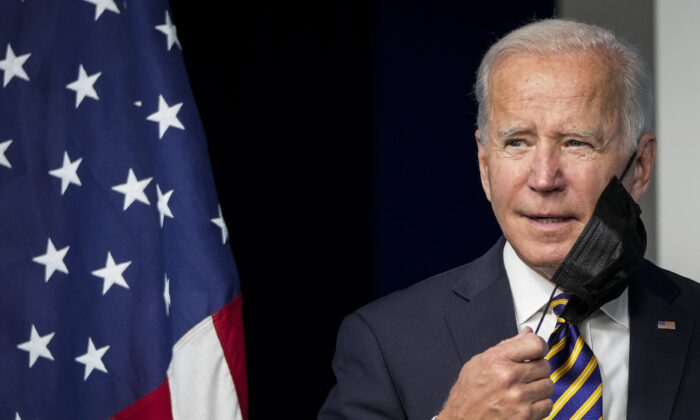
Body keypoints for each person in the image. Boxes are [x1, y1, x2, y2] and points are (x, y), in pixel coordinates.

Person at [319, 19, 700, 420]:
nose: (543, 179)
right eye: (517, 142)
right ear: (485, 165)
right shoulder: (385, 342)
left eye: (576, 143)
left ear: (639, 166)